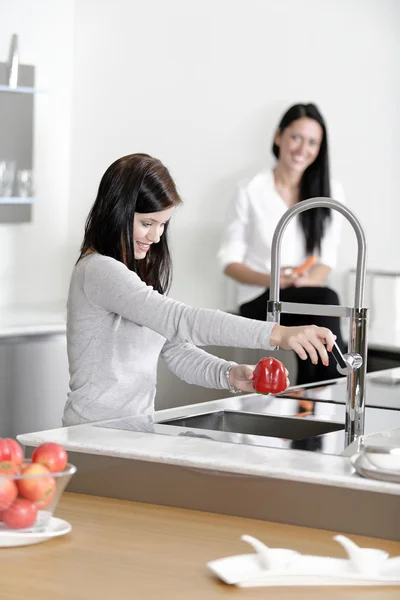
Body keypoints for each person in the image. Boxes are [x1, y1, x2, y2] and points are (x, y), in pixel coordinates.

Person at [63, 153, 337, 427]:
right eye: (147, 223)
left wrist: (230, 374)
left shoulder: (132, 273)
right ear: (117, 211)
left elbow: (175, 349)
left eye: (162, 225)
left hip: (134, 431)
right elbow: (183, 321)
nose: (156, 237)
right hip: (93, 434)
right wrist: (278, 334)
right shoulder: (98, 270)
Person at [218, 103, 346, 385]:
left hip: (306, 295)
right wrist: (277, 281)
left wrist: (302, 282)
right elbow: (230, 262)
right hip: (260, 300)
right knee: (326, 301)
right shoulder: (250, 190)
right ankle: (332, 383)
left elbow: (326, 259)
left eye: (312, 142)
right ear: (279, 137)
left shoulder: (330, 192)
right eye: (296, 137)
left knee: (320, 302)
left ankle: (314, 391)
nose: (303, 148)